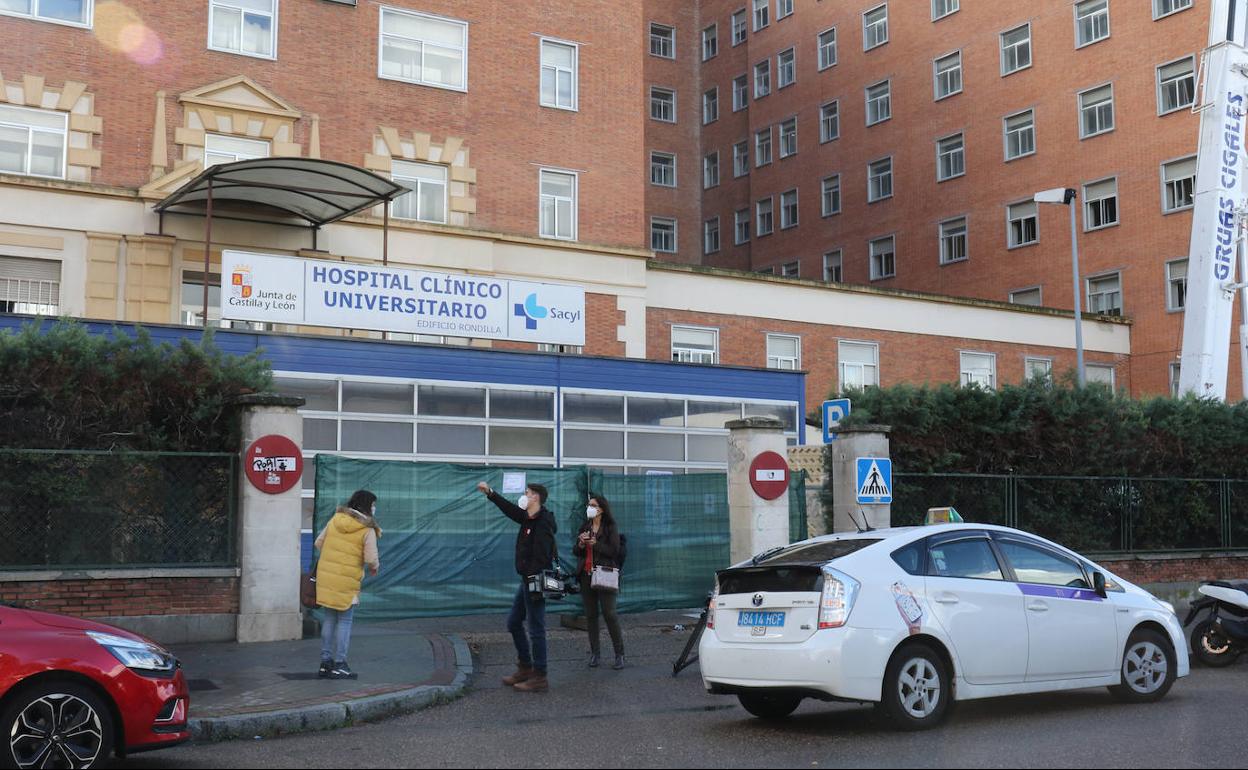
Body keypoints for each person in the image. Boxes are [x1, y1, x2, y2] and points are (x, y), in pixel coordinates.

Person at [476, 480, 556, 693]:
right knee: (513, 622)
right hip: (526, 580)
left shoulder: (543, 521)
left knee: (536, 628)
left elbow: (543, 555)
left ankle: (540, 675)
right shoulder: (527, 518)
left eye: (527, 492)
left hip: (535, 581)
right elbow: (510, 510)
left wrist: (531, 576)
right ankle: (525, 667)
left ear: (536, 497)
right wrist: (490, 493)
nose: (524, 495)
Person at [314, 489, 381, 680]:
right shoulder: (367, 528)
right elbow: (370, 558)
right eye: (374, 505)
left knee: (329, 618)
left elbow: (319, 542)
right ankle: (340, 664)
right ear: (368, 506)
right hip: (347, 579)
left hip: (327, 577)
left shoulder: (336, 519)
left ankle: (325, 663)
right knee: (344, 620)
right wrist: (375, 567)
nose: (375, 509)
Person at [573, 493, 626, 670]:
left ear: (601, 509)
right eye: (589, 505)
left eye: (593, 505)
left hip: (604, 574)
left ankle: (619, 654)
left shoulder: (610, 526)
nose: (590, 507)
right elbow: (576, 551)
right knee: (591, 616)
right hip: (586, 575)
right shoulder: (585, 525)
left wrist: (596, 544)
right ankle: (595, 653)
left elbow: (614, 551)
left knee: (610, 614)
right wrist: (581, 544)